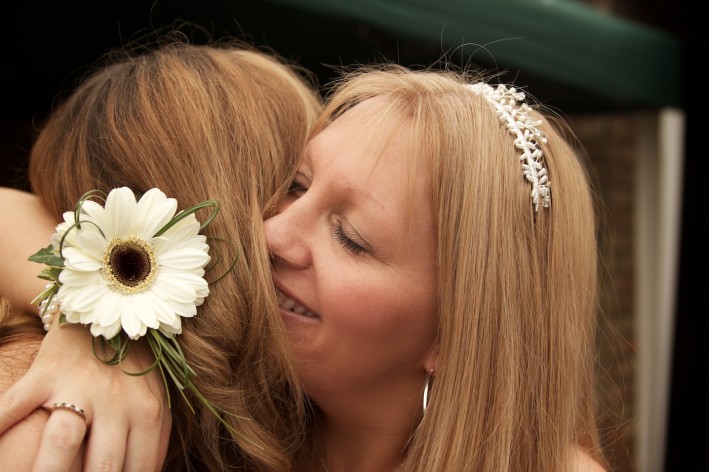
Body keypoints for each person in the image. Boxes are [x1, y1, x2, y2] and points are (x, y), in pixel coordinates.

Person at [1, 61, 608, 470]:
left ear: (456, 335)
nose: (270, 233)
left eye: (351, 238)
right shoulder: (232, 411)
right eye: (296, 184)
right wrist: (100, 322)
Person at [0, 37, 322, 471]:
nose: (298, 228)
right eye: (297, 185)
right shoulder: (52, 428)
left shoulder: (298, 411)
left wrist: (95, 316)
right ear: (232, 206)